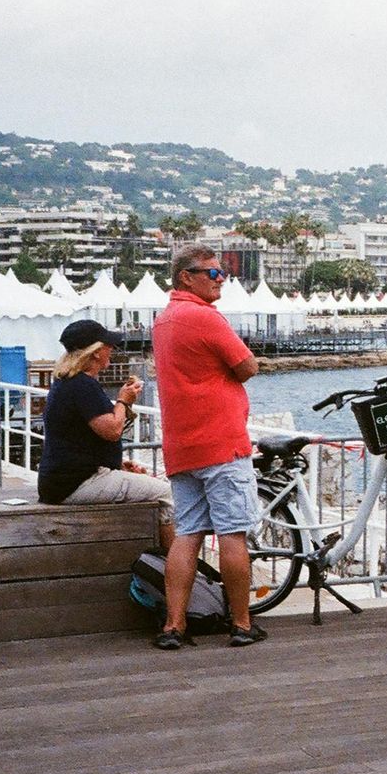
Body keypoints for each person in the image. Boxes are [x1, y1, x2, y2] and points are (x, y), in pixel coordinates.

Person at [152, 244, 265, 650]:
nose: (221, 281)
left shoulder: (163, 321)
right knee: (233, 535)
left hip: (182, 447)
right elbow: (248, 367)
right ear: (187, 276)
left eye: (222, 275)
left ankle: (173, 626)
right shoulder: (204, 317)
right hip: (221, 443)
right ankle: (240, 623)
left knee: (188, 535)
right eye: (213, 274)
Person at [37, 320, 175, 551]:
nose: (112, 349)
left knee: (150, 488)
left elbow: (75, 439)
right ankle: (175, 564)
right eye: (108, 345)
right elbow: (112, 431)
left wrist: (117, 466)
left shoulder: (66, 383)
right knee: (165, 493)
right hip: (77, 483)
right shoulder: (83, 386)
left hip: (62, 481)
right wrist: (123, 400)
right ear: (96, 353)